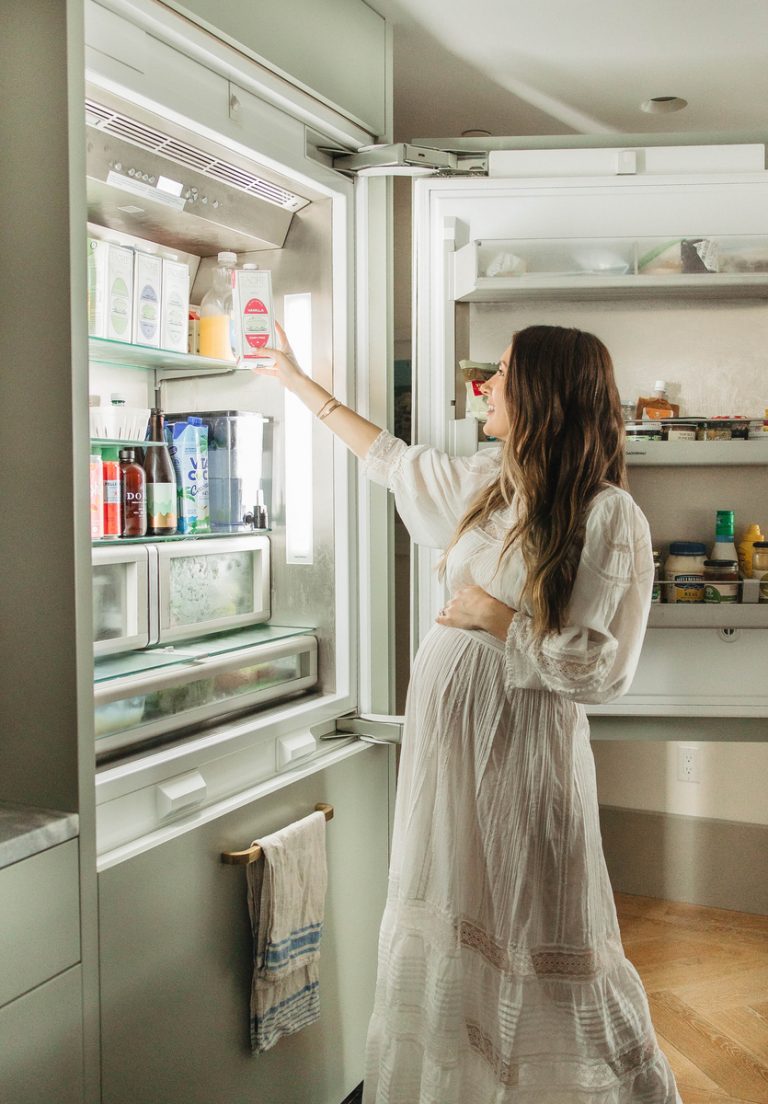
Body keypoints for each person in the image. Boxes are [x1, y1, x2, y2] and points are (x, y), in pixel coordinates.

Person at [256, 323, 681, 1104]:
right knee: (457, 920)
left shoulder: (609, 514)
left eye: (504, 373)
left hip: (524, 761)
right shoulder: (493, 484)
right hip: (447, 761)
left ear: (543, 396)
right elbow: (388, 458)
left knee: (542, 926)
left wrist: (495, 616)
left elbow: (599, 671)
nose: (485, 385)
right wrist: (292, 378)